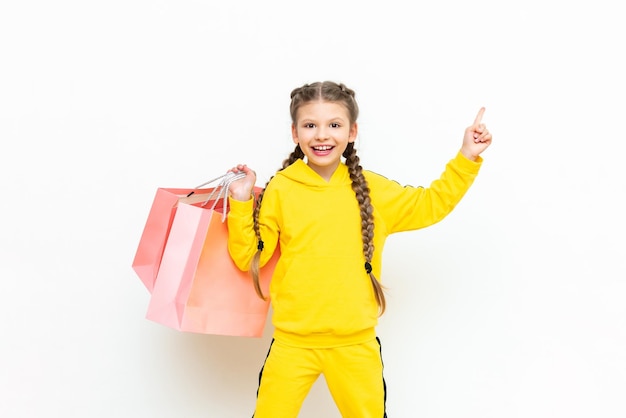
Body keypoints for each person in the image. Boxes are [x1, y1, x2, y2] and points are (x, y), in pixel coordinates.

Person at [226, 81, 492, 417]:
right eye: (310, 125)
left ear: (352, 132)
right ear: (295, 133)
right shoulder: (281, 189)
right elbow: (249, 256)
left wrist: (467, 157)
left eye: (334, 125)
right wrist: (240, 200)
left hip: (355, 343)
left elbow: (431, 204)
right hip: (293, 341)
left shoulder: (372, 189)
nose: (322, 135)